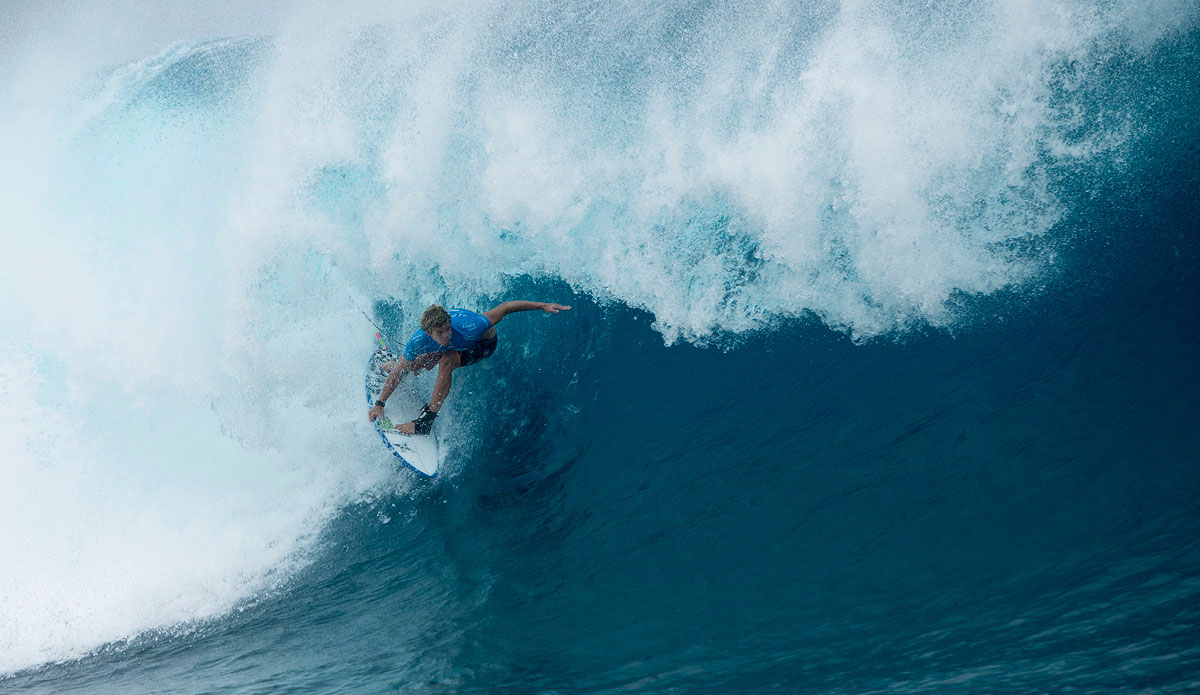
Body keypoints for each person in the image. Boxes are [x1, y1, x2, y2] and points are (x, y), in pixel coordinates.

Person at [368, 301, 572, 435]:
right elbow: (398, 372)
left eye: (448, 328)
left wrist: (543, 305)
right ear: (428, 332)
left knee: (446, 359)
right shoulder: (419, 341)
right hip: (448, 346)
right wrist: (380, 403)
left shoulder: (472, 325)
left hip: (481, 346)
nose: (446, 334)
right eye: (440, 332)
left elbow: (506, 308)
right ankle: (405, 366)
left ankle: (425, 422)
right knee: (410, 364)